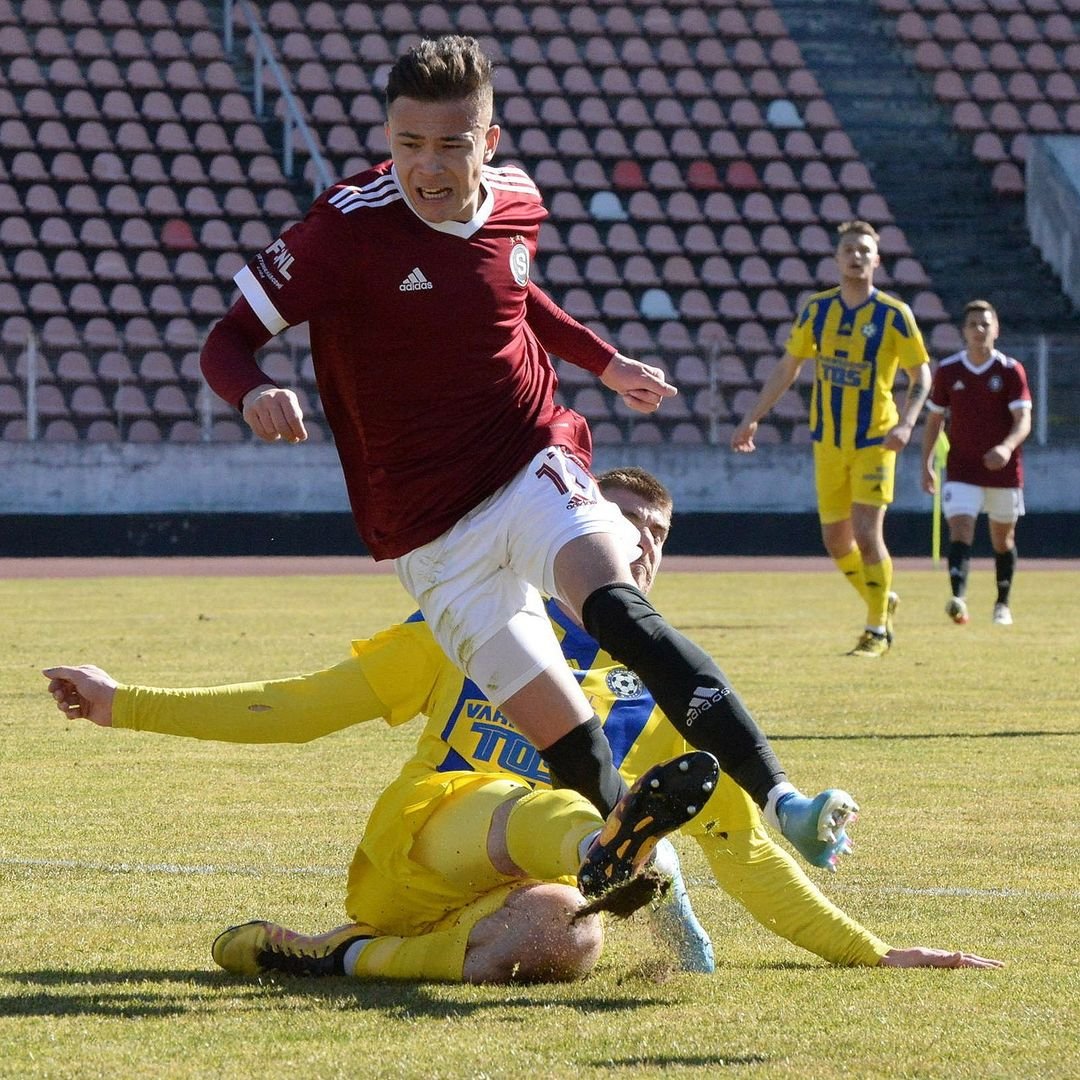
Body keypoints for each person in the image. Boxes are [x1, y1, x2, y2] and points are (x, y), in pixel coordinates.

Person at [198, 35, 857, 868]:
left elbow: (513, 292)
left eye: (450, 144)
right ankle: (631, 855)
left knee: (617, 609)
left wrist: (603, 363)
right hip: (428, 531)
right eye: (407, 144)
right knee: (568, 735)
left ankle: (786, 801)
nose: (427, 167)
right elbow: (226, 340)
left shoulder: (517, 201)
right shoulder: (345, 230)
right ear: (387, 138)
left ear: (490, 142)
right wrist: (251, 389)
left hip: (528, 456)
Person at [44, 468, 1001, 982]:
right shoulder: (474, 625)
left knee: (566, 943)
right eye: (619, 525)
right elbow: (300, 707)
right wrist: (125, 703)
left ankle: (330, 954)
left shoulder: (656, 693)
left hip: (487, 902)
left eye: (656, 539)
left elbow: (745, 853)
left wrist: (869, 952)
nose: (637, 547)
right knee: (565, 822)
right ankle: (617, 842)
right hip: (422, 842)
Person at [731, 221, 932, 658]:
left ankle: (877, 628)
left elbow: (922, 375)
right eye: (849, 249)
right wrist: (753, 416)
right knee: (835, 541)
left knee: (865, 530)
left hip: (875, 439)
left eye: (865, 250)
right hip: (828, 441)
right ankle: (882, 599)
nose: (856, 256)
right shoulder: (817, 310)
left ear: (876, 260)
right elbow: (789, 367)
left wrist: (907, 423)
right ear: (837, 258)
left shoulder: (894, 315)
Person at [920, 300, 1032, 626]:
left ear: (996, 329)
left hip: (1003, 470)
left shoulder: (1010, 371)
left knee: (1003, 539)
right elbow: (934, 421)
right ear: (963, 331)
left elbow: (1023, 419)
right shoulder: (949, 371)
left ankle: (1002, 604)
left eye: (985, 324)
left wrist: (1007, 447)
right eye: (973, 324)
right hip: (962, 468)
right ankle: (959, 599)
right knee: (961, 528)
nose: (979, 330)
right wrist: (925, 463)